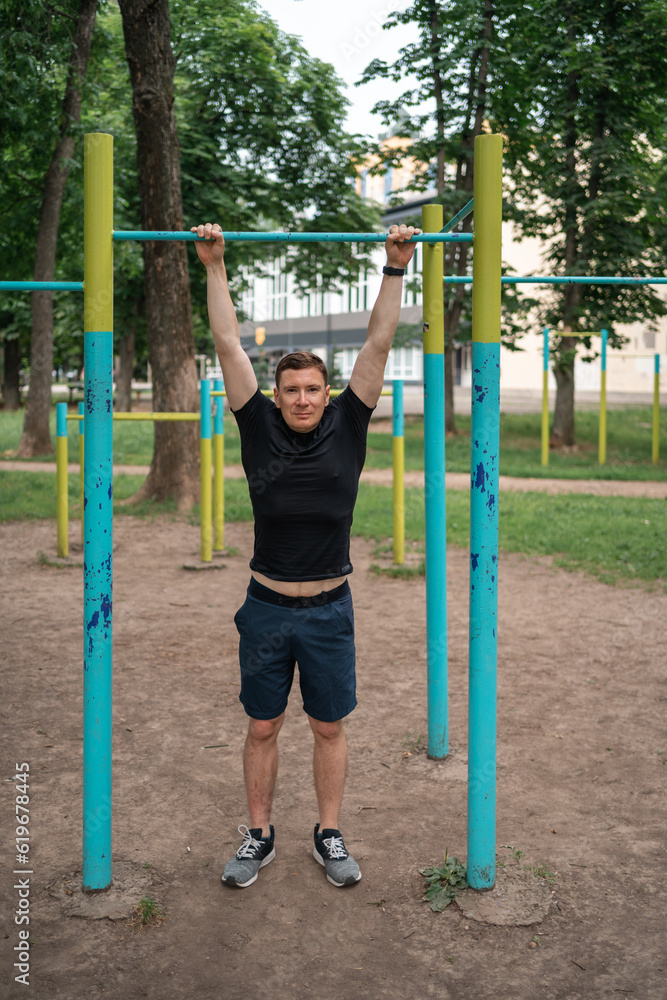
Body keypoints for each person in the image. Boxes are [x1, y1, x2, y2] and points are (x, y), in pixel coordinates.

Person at [193, 221, 420, 889]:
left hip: (329, 609)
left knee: (327, 727)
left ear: (327, 394)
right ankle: (258, 835)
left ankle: (328, 832)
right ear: (276, 393)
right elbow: (227, 342)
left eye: (311, 389)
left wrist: (394, 267)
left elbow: (379, 341)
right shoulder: (255, 422)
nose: (300, 398)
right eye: (290, 389)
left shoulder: (349, 425)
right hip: (265, 609)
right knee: (262, 727)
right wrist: (214, 264)